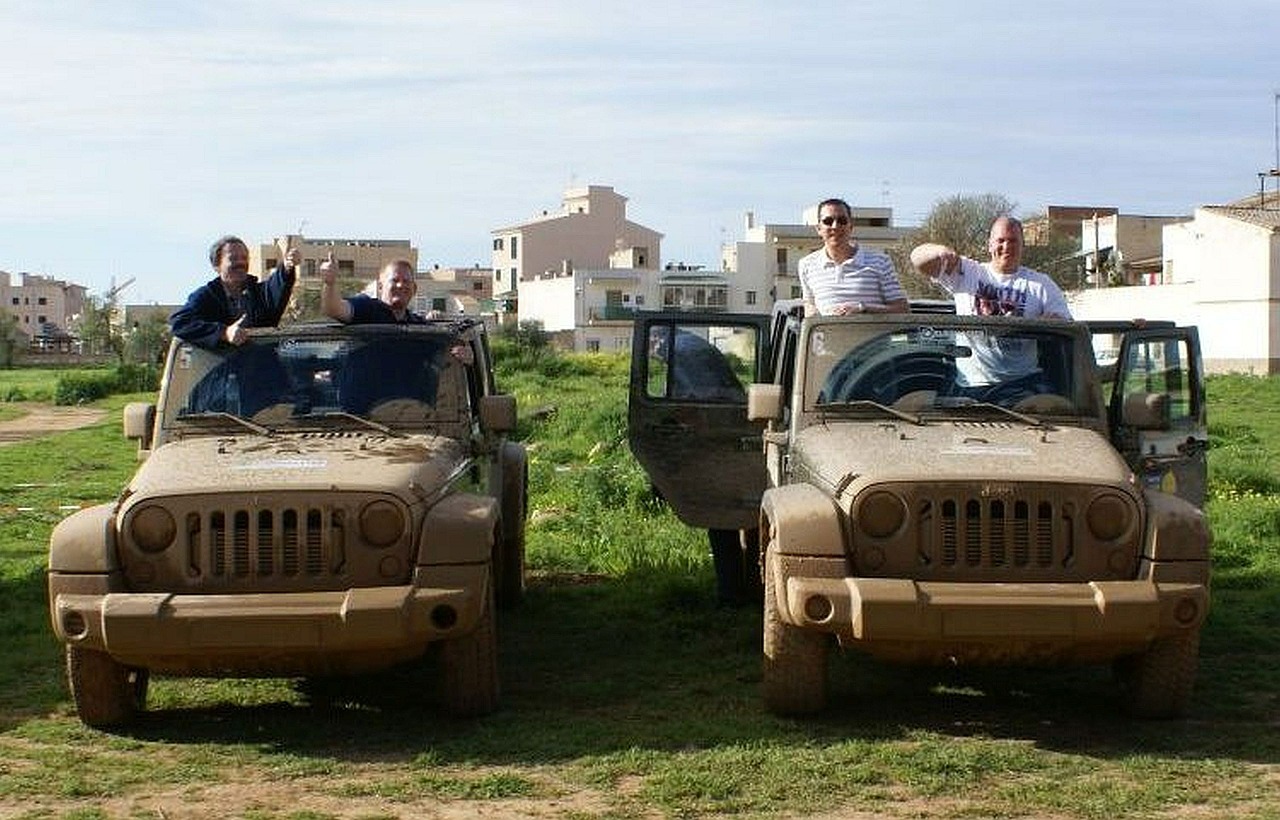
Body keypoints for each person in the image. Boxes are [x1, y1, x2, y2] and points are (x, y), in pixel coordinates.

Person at [910, 216, 1073, 403]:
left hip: (1023, 385)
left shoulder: (1042, 284)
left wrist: (1050, 323)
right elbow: (918, 259)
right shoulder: (967, 273)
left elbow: (1066, 327)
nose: (1006, 246)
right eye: (1001, 240)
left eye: (1013, 241)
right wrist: (939, 251)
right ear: (989, 245)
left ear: (1022, 246)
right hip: (970, 386)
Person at [170, 235, 299, 348]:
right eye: (233, 258)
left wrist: (287, 267)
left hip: (263, 371)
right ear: (216, 265)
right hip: (223, 370)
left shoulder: (259, 293)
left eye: (244, 258)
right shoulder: (207, 296)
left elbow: (278, 286)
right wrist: (224, 333)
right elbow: (179, 323)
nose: (241, 263)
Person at [798, 198, 908, 317]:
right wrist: (813, 315)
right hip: (829, 335)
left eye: (842, 220)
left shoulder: (880, 262)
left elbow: (902, 309)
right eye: (828, 221)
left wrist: (862, 308)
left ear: (850, 226)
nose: (835, 226)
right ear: (818, 228)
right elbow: (809, 304)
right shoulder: (806, 265)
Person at [321, 254, 427, 324]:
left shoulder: (419, 325)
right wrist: (330, 284)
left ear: (414, 289)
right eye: (394, 281)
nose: (400, 285)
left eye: (406, 281)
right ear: (380, 287)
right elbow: (334, 309)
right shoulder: (366, 308)